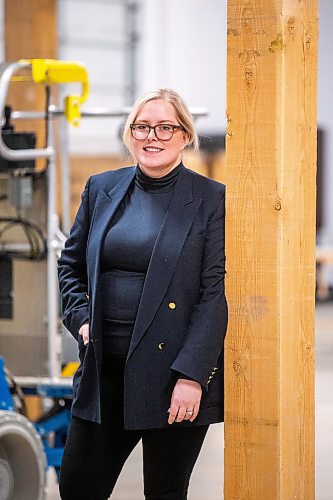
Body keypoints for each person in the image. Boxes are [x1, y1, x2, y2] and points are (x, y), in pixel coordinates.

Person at [57, 88, 228, 500]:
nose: (152, 136)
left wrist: (192, 375)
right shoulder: (102, 189)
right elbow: (71, 266)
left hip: (171, 377)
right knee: (77, 488)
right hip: (103, 371)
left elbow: (213, 293)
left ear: (186, 135)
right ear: (130, 134)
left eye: (165, 127)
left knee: (165, 493)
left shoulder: (210, 199)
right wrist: (80, 320)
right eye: (142, 127)